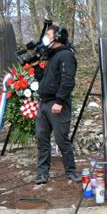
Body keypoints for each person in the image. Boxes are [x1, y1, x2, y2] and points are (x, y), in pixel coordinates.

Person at [34, 24, 79, 184]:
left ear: (58, 37)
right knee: (42, 139)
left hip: (57, 104)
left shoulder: (66, 55)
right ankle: (42, 173)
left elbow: (68, 80)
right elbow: (45, 79)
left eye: (49, 34)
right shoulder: (52, 56)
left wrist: (59, 101)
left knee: (61, 139)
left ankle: (71, 171)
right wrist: (36, 68)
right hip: (44, 103)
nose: (46, 37)